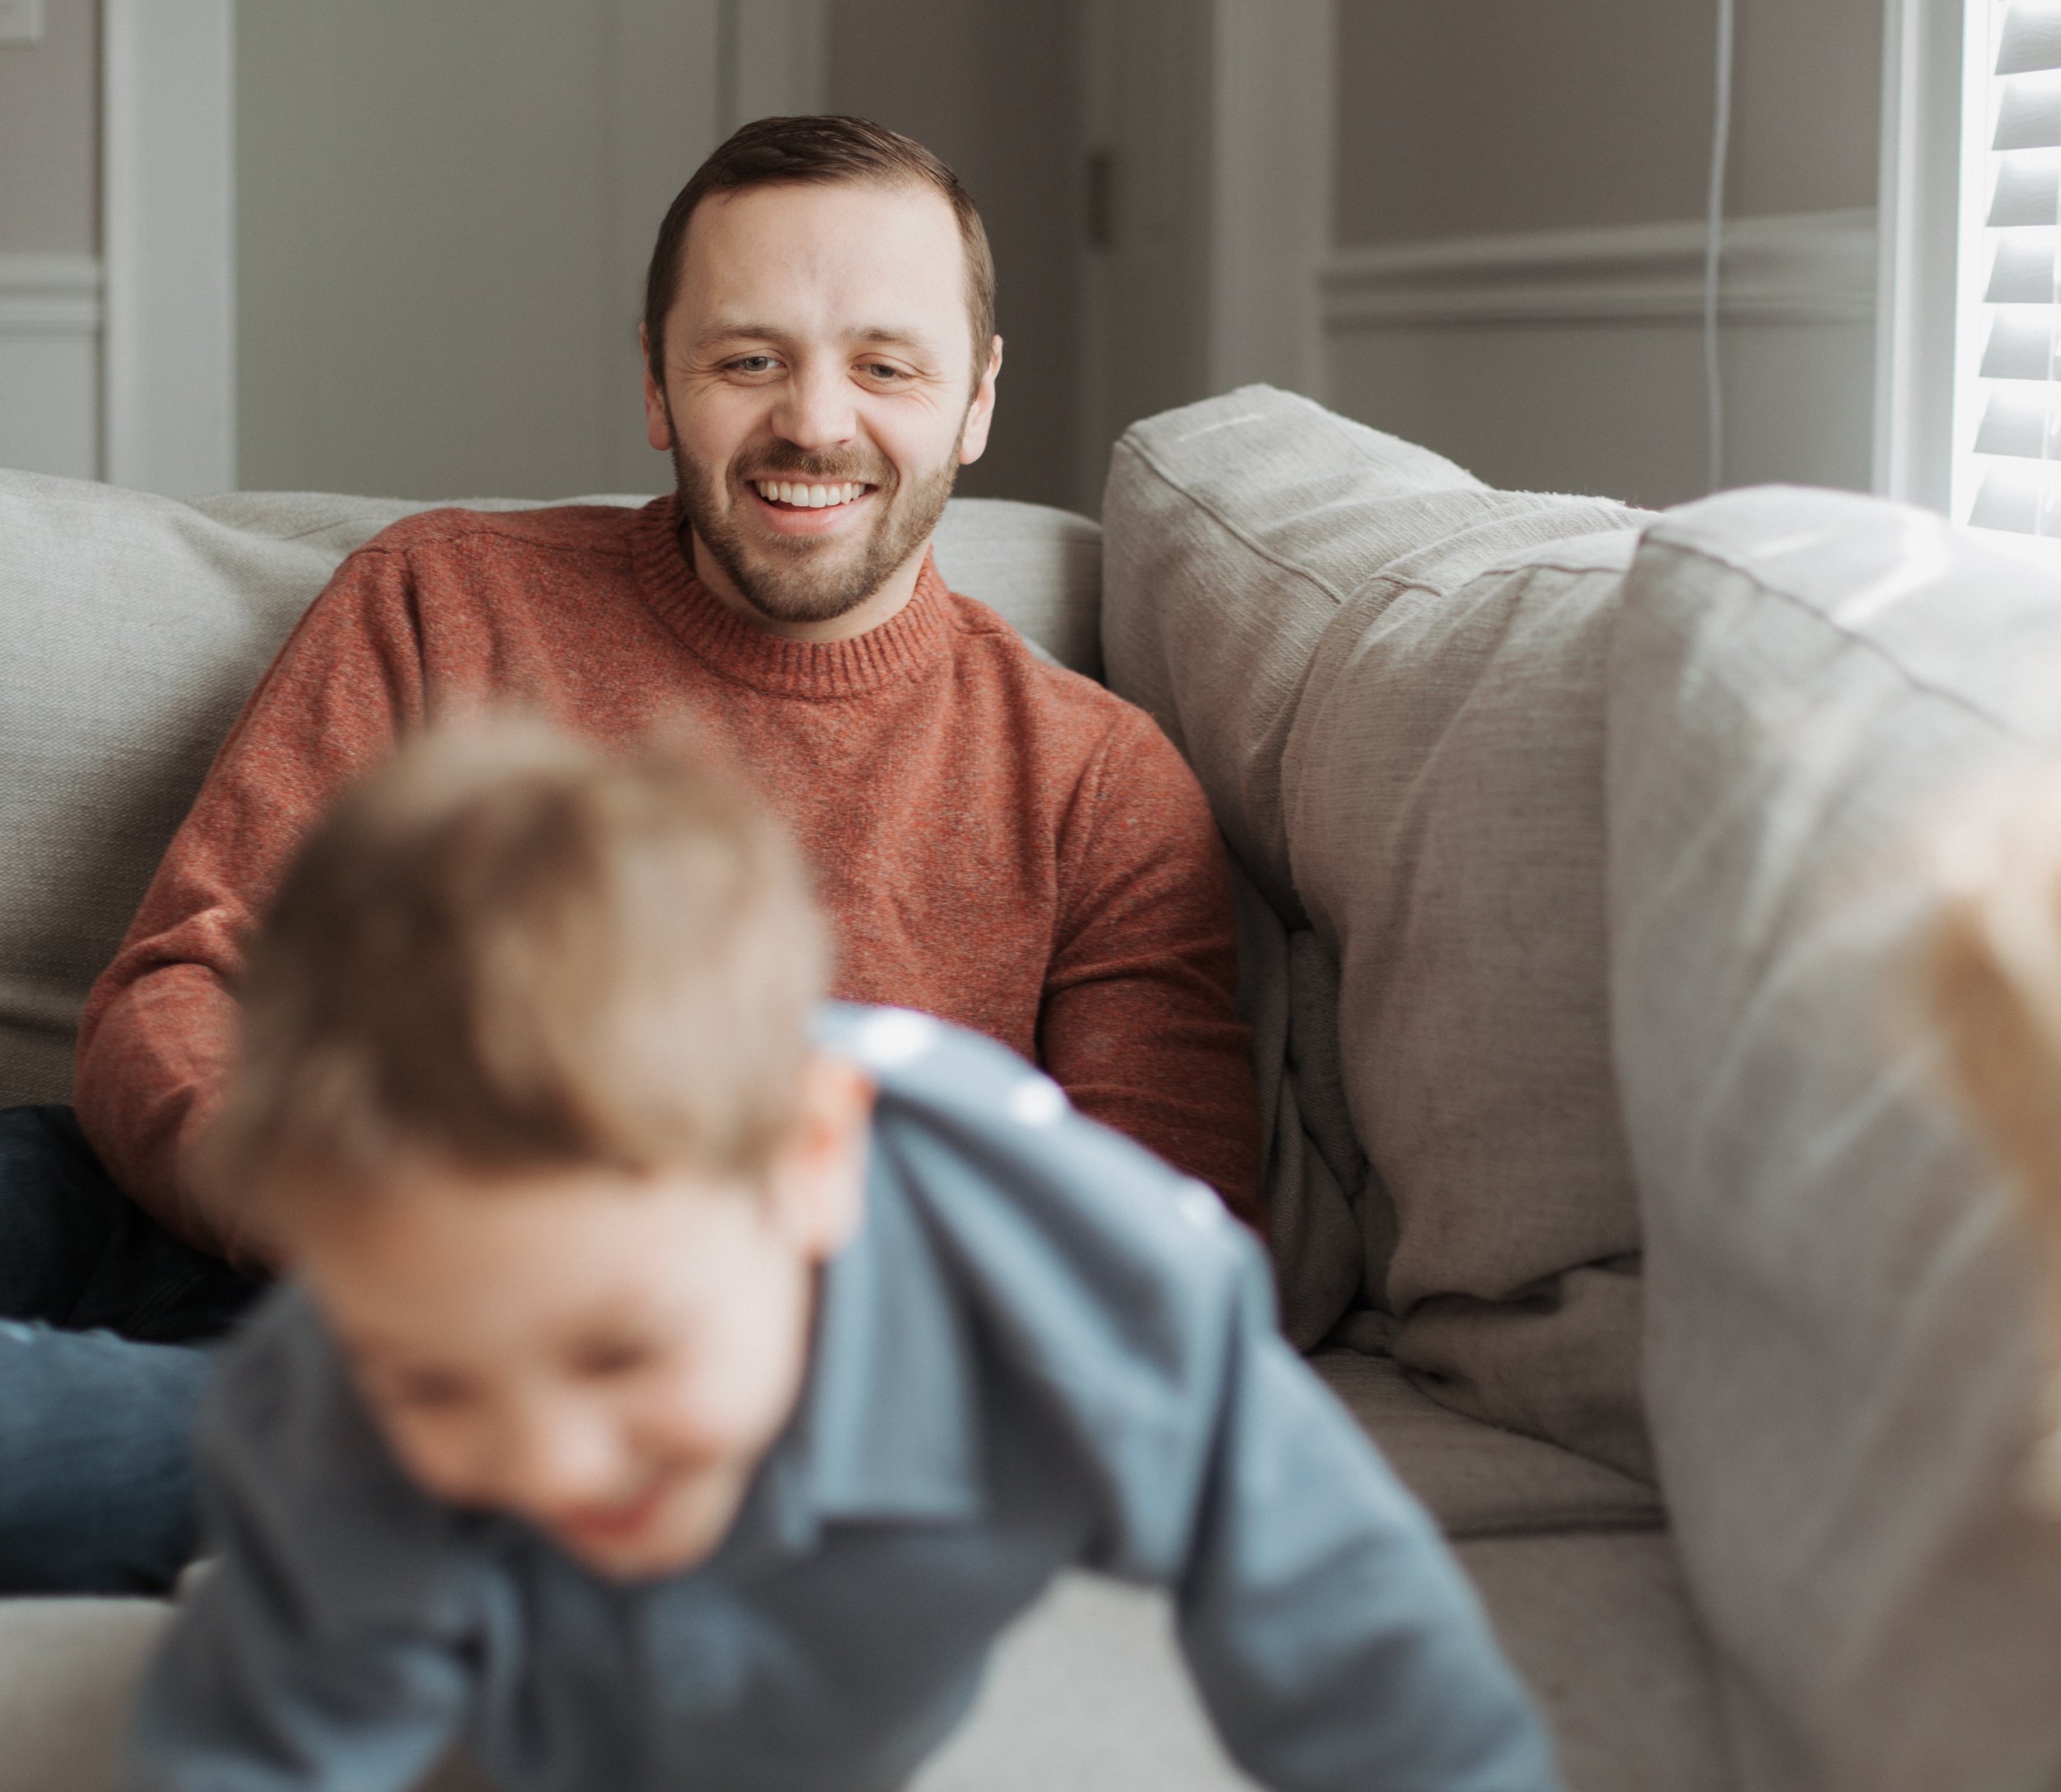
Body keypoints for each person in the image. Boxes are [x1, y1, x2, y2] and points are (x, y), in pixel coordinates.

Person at [163, 758, 2061, 1792]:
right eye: (439, 1381)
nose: (552, 1456)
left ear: (810, 1169)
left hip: (848, 1672)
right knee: (177, 1453)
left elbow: (1320, 1588)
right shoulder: (346, 1395)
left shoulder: (1072, 1277)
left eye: (616, 1351)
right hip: (530, 1727)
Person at [1, 115, 1260, 1598]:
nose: (815, 421)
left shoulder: (1097, 782)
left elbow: (1149, 1275)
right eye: (749, 359)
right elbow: (180, 981)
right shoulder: (440, 598)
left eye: (885, 363)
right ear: (657, 380)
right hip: (262, 1221)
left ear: (977, 399)